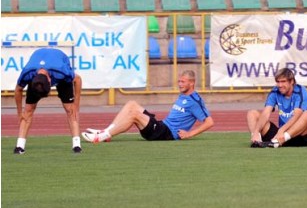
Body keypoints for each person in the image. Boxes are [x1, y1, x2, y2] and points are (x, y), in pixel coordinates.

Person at [81, 70, 213, 143]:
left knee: (134, 115)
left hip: (166, 134)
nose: (179, 84)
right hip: (162, 126)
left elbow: (209, 122)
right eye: (179, 81)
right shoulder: (183, 95)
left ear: (192, 83)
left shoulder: (195, 100)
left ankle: (101, 137)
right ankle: (106, 132)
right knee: (131, 104)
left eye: (183, 82)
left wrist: (189, 134)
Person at [14, 47, 83, 154]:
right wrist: (19, 113)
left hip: (60, 65)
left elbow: (78, 80)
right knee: (28, 110)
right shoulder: (28, 73)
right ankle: (19, 146)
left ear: (50, 80)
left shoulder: (61, 71)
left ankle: (77, 145)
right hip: (39, 63)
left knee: (70, 109)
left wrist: (76, 104)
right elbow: (18, 90)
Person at [247, 67, 307, 148]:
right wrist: (256, 132)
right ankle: (257, 141)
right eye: (278, 82)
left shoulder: (300, 91)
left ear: (292, 81)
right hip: (278, 136)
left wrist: (281, 131)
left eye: (283, 81)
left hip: (298, 136)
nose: (280, 85)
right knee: (252, 113)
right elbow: (266, 113)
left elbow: (297, 116)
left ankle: (280, 140)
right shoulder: (275, 91)